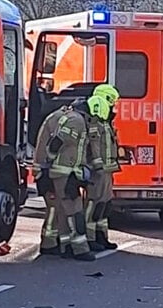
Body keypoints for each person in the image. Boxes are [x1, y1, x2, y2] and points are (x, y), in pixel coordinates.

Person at [33, 99, 104, 261]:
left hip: (54, 171)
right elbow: (57, 142)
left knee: (58, 209)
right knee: (75, 210)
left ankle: (51, 244)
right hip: (63, 172)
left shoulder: (61, 115)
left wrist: (44, 168)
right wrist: (50, 164)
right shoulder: (77, 121)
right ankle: (79, 249)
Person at [85, 84, 121, 251]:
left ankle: (102, 236)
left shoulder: (106, 122)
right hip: (97, 172)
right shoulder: (95, 120)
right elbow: (93, 147)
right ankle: (90, 238)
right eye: (112, 102)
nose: (114, 105)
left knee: (105, 206)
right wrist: (98, 166)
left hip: (107, 171)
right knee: (93, 205)